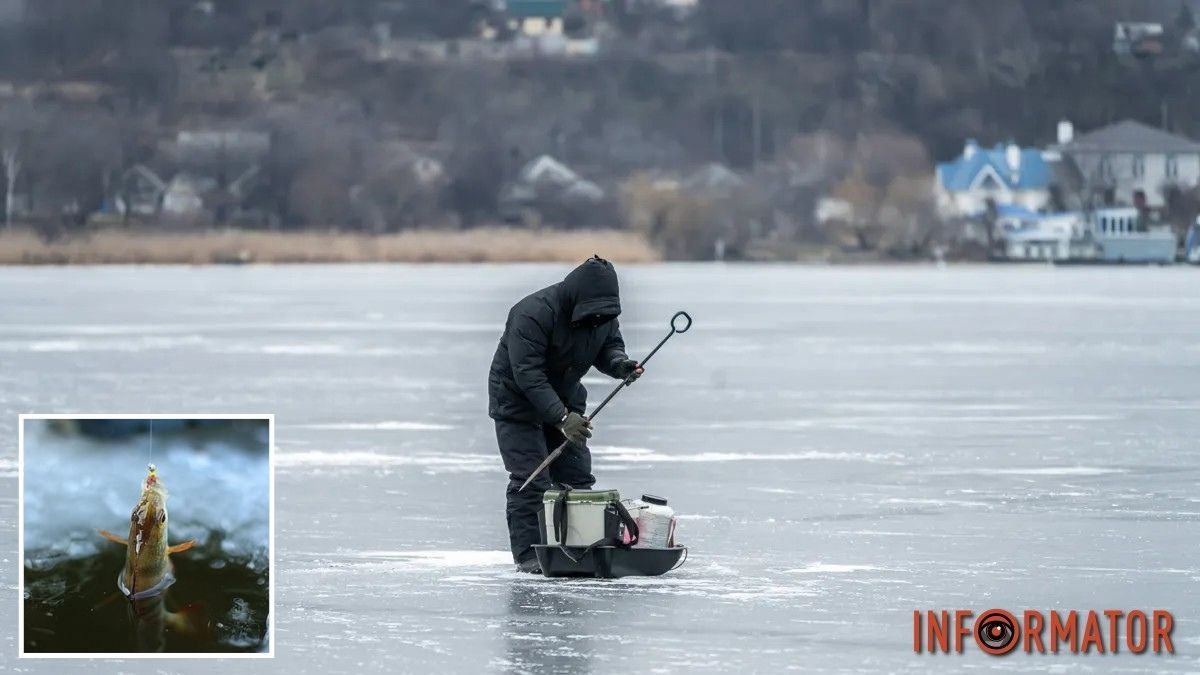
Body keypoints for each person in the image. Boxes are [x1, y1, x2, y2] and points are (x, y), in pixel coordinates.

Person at [488, 255, 642, 573]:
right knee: (531, 479)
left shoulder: (602, 315)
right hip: (516, 402)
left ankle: (576, 545)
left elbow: (609, 346)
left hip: (565, 399)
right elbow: (527, 373)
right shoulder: (531, 313)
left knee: (575, 477)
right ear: (576, 298)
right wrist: (562, 418)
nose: (597, 319)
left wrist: (620, 364)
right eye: (593, 313)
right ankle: (529, 555)